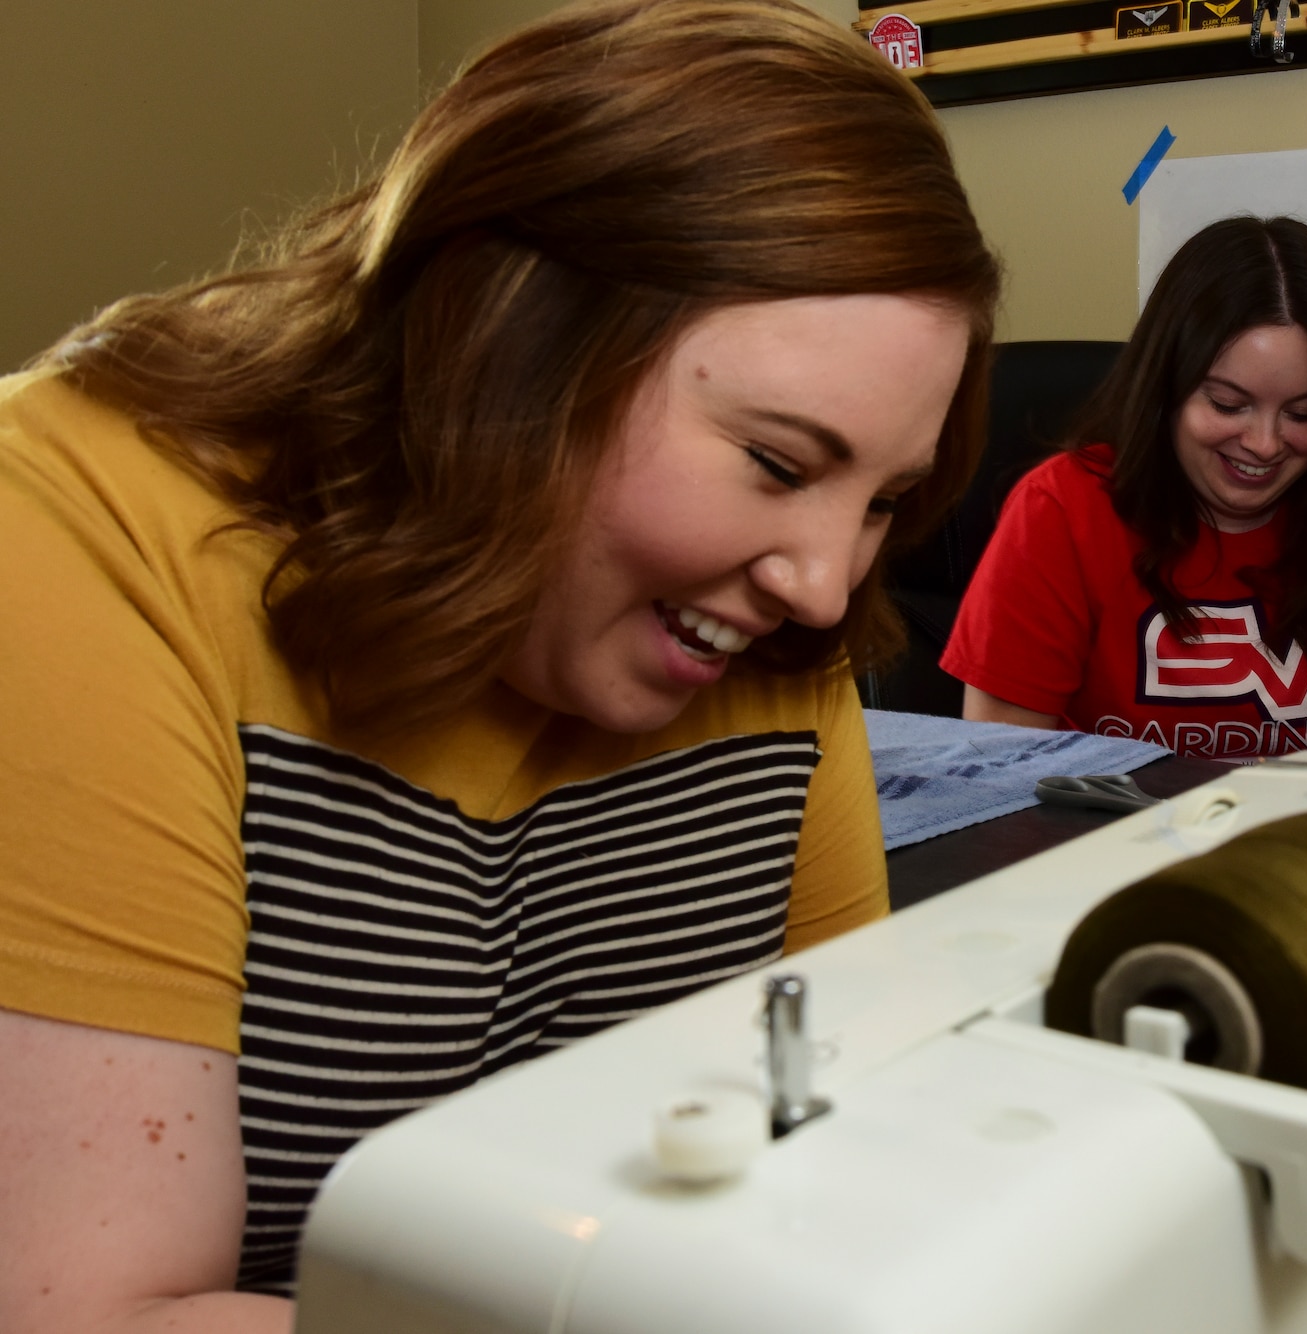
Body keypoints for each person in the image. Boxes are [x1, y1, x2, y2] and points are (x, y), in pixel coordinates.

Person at [0, 2, 999, 1329]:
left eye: (883, 499)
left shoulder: (765, 612)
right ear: (505, 344)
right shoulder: (76, 522)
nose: (826, 581)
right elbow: (88, 1312)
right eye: (777, 462)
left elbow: (841, 1144)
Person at [941, 216, 1307, 761]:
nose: (1265, 444)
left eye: (1302, 413)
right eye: (1227, 404)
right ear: (1166, 389)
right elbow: (1000, 785)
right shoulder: (1060, 511)